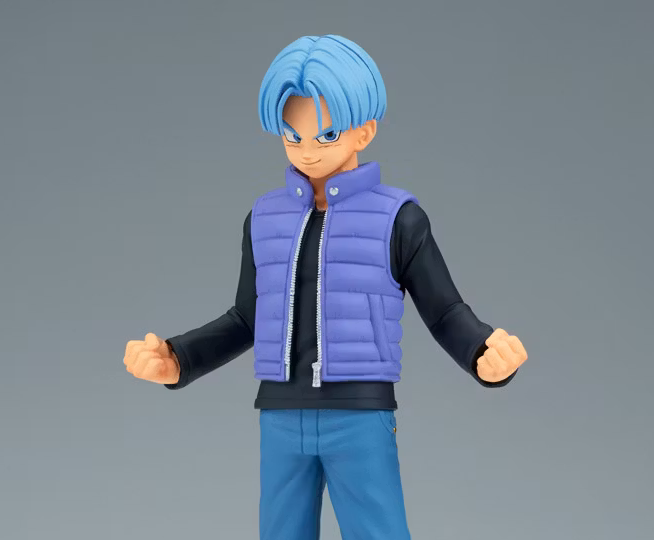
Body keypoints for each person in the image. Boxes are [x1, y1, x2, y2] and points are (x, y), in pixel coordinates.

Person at [123, 34, 528, 540]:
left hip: (358, 415)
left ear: (365, 131)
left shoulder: (398, 218)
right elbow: (247, 318)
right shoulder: (264, 218)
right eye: (293, 136)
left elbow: (444, 311)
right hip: (279, 416)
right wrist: (178, 358)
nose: (308, 152)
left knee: (378, 532)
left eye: (327, 134)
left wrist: (483, 353)